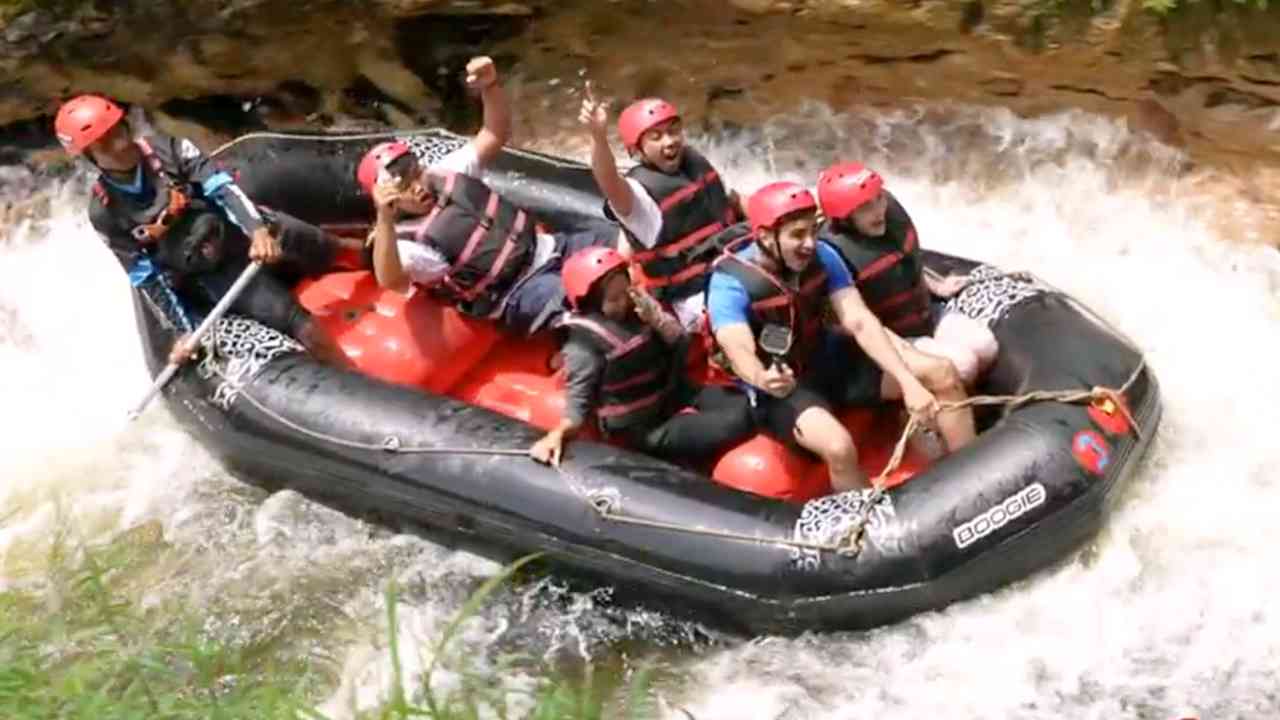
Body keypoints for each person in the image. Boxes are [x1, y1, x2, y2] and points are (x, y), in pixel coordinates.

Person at [706, 182, 976, 492]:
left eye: (812, 231)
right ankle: (869, 525)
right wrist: (762, 377)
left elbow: (858, 320)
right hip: (782, 385)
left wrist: (908, 382)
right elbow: (736, 345)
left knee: (941, 373)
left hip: (826, 358)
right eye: (797, 235)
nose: (809, 243)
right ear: (765, 236)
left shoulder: (824, 256)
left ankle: (972, 476)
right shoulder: (729, 282)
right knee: (839, 448)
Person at [55, 94, 355, 368]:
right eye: (106, 144)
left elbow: (222, 187)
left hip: (238, 230)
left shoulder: (169, 148)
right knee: (298, 323)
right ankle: (353, 379)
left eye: (120, 132)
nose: (120, 145)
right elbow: (146, 278)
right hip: (215, 268)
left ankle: (388, 259)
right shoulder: (105, 212)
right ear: (90, 157)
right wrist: (184, 331)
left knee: (335, 249)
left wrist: (258, 231)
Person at [360, 56, 615, 336]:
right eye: (404, 186)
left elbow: (494, 133)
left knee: (618, 235)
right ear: (391, 202)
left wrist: (490, 87)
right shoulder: (407, 245)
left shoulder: (445, 172)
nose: (418, 187)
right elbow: (391, 280)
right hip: (517, 292)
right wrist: (383, 218)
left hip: (548, 247)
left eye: (415, 174)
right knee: (591, 295)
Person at [529, 247, 754, 467]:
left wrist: (655, 318)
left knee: (740, 402)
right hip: (644, 428)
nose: (624, 303)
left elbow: (680, 342)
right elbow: (577, 404)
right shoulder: (583, 346)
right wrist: (556, 435)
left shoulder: (638, 310)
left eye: (625, 293)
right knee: (733, 422)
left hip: (670, 394)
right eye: (614, 299)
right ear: (591, 302)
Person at [816, 162, 999, 386]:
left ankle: (968, 398)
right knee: (963, 364)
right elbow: (838, 320)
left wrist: (938, 286)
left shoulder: (890, 213)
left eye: (879, 199)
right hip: (892, 339)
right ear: (844, 219)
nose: (878, 211)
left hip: (926, 315)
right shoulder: (831, 254)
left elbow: (905, 260)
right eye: (864, 207)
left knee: (985, 346)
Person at [579, 86, 744, 331]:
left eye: (673, 131)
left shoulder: (693, 162)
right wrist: (598, 137)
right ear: (637, 149)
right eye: (655, 137)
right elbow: (608, 180)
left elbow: (733, 200)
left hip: (730, 261)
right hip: (693, 295)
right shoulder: (638, 198)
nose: (669, 142)